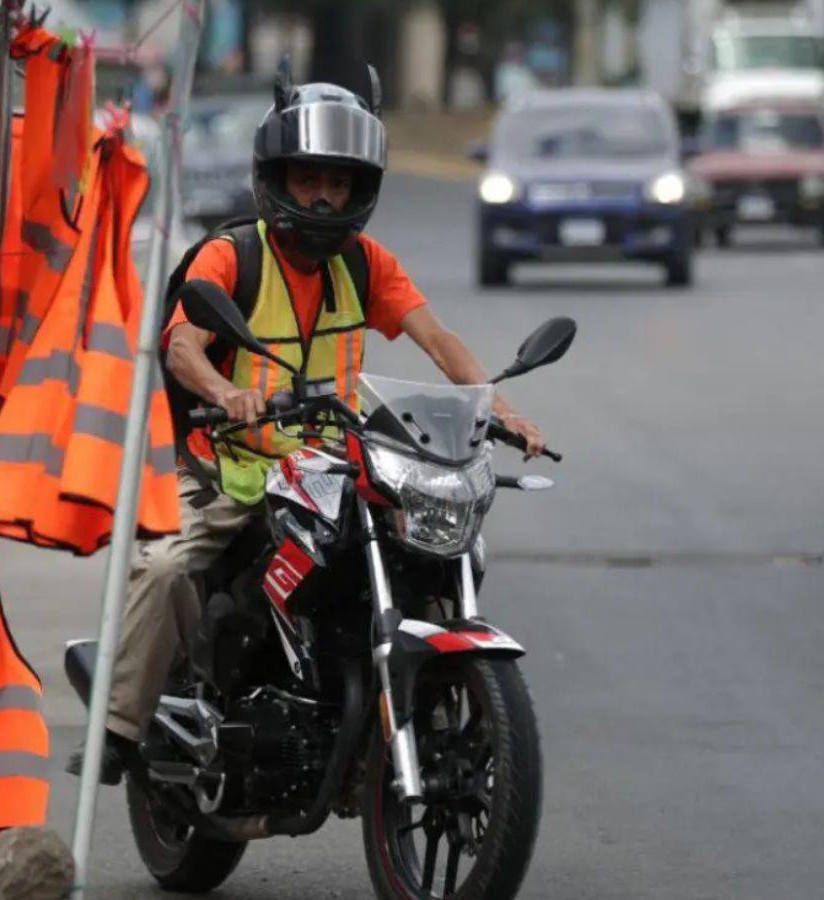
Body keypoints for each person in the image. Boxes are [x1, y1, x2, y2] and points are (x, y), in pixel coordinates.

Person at [69, 72, 546, 781]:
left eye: (339, 183)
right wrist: (225, 390)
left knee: (422, 542)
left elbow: (436, 337)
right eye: (309, 179)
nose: (324, 197)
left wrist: (494, 405)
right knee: (166, 565)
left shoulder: (364, 264)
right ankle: (121, 727)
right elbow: (182, 345)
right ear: (276, 180)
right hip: (229, 469)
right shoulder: (231, 256)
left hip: (330, 468)